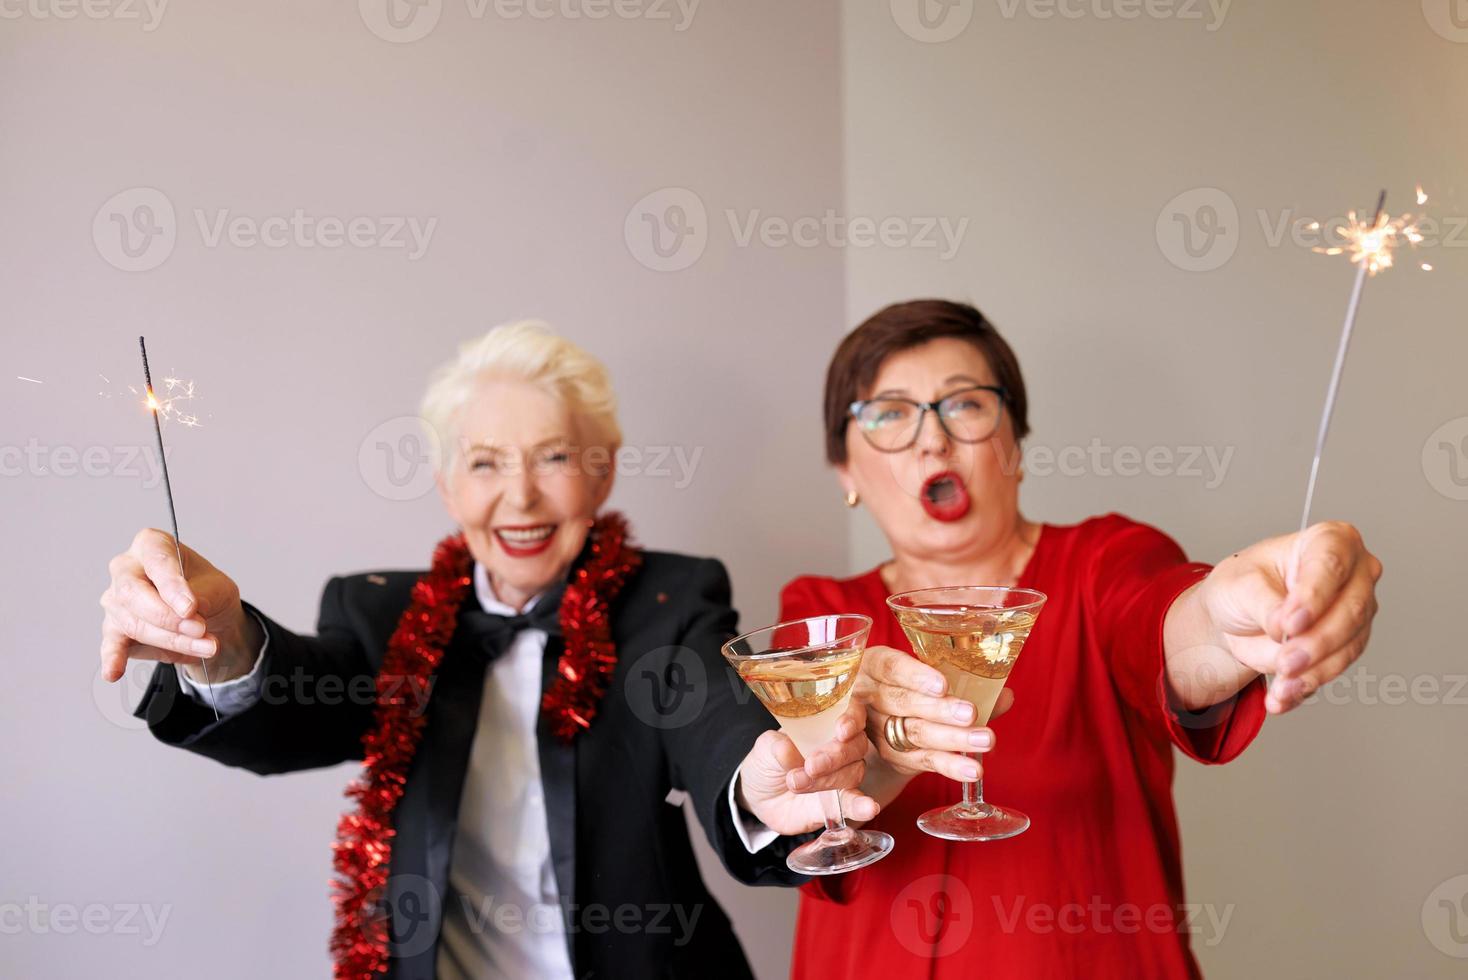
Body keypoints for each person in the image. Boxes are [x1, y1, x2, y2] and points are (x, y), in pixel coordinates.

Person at [98, 321, 875, 980]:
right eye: (484, 462)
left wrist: (754, 783)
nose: (522, 496)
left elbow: (712, 715)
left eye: (555, 457)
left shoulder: (671, 603)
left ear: (602, 473)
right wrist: (223, 642)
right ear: (446, 487)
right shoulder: (380, 612)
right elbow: (296, 706)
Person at [781, 300, 1382, 979]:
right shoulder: (824, 614)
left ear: (1014, 447)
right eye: (890, 413)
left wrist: (1227, 616)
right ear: (845, 472)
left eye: (966, 405)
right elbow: (799, 797)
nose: (932, 439)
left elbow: (1168, 626)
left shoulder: (1103, 561)